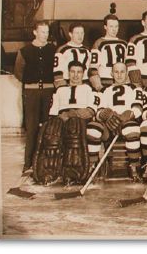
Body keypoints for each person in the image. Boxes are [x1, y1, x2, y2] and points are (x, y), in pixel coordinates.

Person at [35, 60, 97, 185]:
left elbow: (90, 111)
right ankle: (49, 171)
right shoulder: (60, 90)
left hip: (79, 120)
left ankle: (72, 171)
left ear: (83, 74)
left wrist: (70, 114)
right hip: (61, 118)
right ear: (68, 73)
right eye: (72, 72)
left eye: (79, 72)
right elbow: (53, 113)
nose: (75, 75)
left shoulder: (88, 89)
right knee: (52, 129)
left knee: (73, 126)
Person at [86, 62, 144, 182]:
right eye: (116, 72)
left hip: (127, 122)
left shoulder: (135, 88)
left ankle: (134, 166)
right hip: (109, 125)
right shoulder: (104, 90)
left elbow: (138, 108)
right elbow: (98, 111)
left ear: (127, 74)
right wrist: (105, 115)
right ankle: (92, 165)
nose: (119, 75)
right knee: (93, 128)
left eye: (122, 71)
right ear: (111, 73)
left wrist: (129, 115)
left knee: (132, 128)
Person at [13, 20, 56, 174]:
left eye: (47, 32)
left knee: (47, 127)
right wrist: (30, 83)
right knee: (31, 128)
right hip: (31, 93)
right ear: (35, 32)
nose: (45, 35)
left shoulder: (53, 49)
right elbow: (18, 72)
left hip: (49, 92)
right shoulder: (25, 51)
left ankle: (46, 163)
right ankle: (28, 164)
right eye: (42, 31)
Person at [89, 14, 128, 91]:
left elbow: (128, 66)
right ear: (105, 27)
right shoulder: (98, 43)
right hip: (104, 82)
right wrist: (99, 86)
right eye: (111, 26)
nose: (114, 29)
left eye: (116, 26)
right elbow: (93, 68)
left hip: (121, 83)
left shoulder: (124, 43)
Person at [53, 22, 91, 88]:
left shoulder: (87, 50)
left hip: (84, 84)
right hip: (67, 84)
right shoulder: (62, 50)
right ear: (70, 34)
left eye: (82, 33)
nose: (80, 36)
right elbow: (57, 72)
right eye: (77, 33)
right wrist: (62, 87)